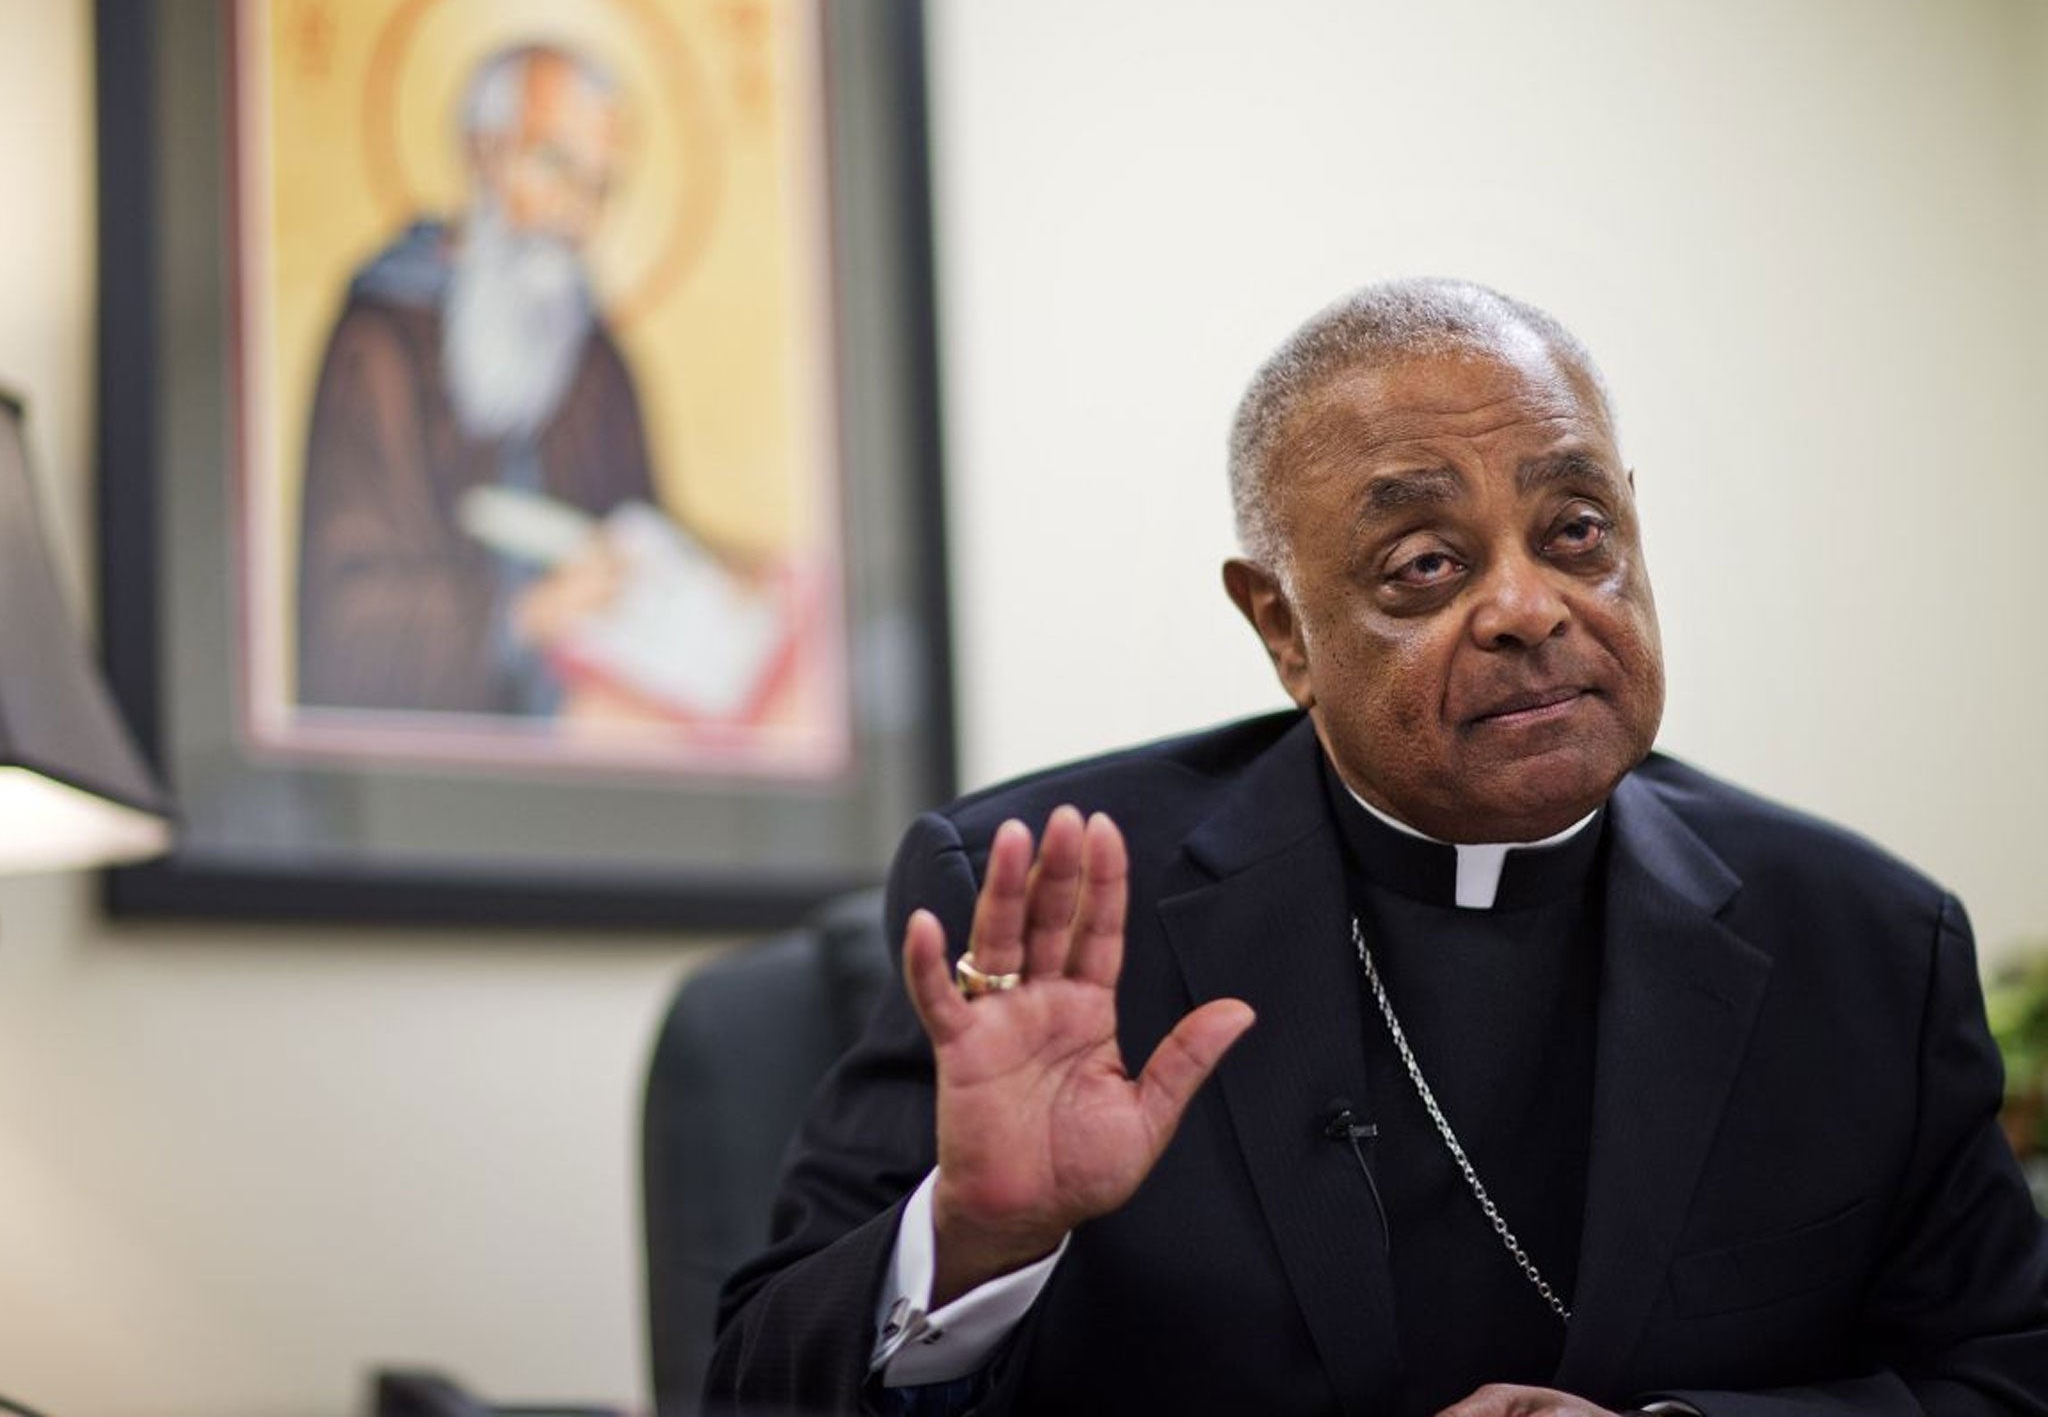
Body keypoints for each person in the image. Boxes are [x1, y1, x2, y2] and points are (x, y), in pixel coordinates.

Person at [705, 279, 2048, 1415]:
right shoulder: (1044, 907)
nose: (1530, 605)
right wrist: (974, 1240)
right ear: (1281, 626)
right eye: (1425, 564)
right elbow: (754, 1384)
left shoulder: (1863, 941)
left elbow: (2001, 1376)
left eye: (1577, 533)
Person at [296, 42, 657, 717]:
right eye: (555, 166)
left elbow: (640, 542)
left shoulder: (598, 359)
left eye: (600, 186)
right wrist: (520, 616)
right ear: (483, 153)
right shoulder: (381, 341)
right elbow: (343, 624)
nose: (576, 214)